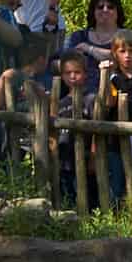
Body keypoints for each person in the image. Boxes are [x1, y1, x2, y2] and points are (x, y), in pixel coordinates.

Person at [99, 33, 132, 205]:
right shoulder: (114, 79)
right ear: (115, 53)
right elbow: (109, 102)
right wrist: (105, 76)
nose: (127, 55)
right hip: (118, 136)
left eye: (131, 50)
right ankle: (117, 214)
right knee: (118, 180)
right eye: (122, 51)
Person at [60, 0, 132, 93]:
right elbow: (58, 63)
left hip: (116, 96)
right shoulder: (78, 36)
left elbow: (121, 59)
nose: (105, 10)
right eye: (100, 7)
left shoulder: (126, 36)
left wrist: (89, 49)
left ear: (118, 12)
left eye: (110, 7)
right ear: (93, 12)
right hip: (79, 97)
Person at [53, 52, 95, 205]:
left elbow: (97, 131)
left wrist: (93, 155)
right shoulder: (59, 102)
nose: (72, 76)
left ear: (85, 74)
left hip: (84, 156)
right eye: (68, 73)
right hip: (64, 158)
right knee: (67, 196)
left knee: (86, 196)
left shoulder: (91, 99)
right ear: (62, 76)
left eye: (77, 72)